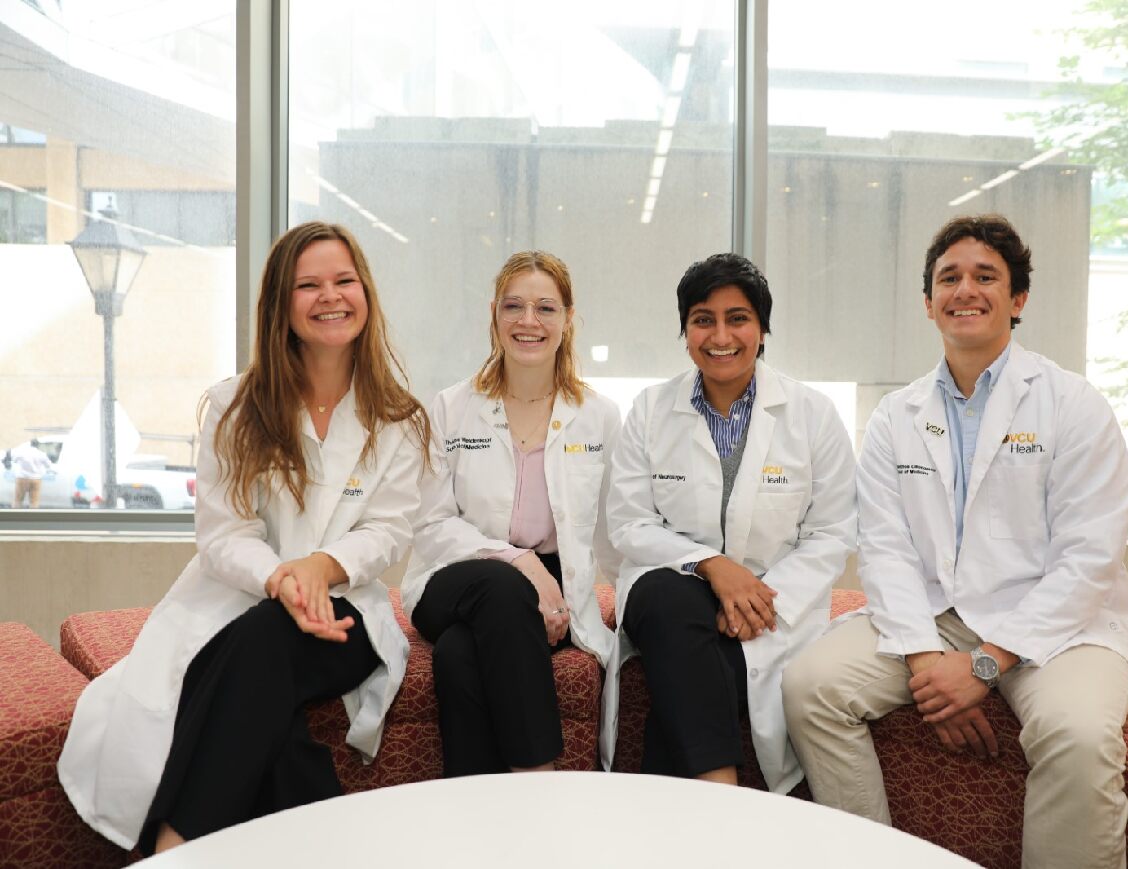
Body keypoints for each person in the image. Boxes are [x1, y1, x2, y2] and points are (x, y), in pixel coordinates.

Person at [59, 221, 432, 854]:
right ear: (281, 306)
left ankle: (175, 848)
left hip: (341, 617)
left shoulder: (398, 418)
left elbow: (389, 531)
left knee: (264, 641)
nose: (331, 296)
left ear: (365, 292)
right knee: (271, 698)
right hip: (237, 600)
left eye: (344, 280)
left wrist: (321, 568)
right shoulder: (236, 406)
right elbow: (223, 533)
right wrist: (282, 578)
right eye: (308, 284)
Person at [782, 215, 1128, 868]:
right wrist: (928, 669)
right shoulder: (897, 415)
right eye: (949, 277)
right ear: (928, 302)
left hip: (1058, 627)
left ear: (1019, 300)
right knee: (812, 685)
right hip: (939, 615)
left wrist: (983, 666)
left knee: (1079, 735)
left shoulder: (1072, 404)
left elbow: (1089, 558)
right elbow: (885, 549)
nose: (965, 289)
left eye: (986, 276)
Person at [603, 253, 855, 790]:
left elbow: (831, 533)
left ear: (762, 330)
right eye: (702, 319)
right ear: (685, 331)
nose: (721, 335)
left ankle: (686, 822)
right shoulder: (649, 410)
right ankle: (724, 796)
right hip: (669, 583)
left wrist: (758, 598)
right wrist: (713, 566)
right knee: (672, 601)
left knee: (683, 654)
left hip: (774, 601)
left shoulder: (813, 414)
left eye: (738, 318)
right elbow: (628, 523)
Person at [401, 250, 619, 776]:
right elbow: (431, 522)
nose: (528, 321)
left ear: (568, 319)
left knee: (458, 654)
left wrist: (630, 618)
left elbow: (617, 534)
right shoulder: (451, 407)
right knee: (502, 588)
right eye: (514, 306)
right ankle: (537, 781)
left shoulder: (598, 417)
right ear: (494, 316)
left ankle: (474, 813)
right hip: (450, 579)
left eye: (545, 308)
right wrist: (517, 562)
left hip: (551, 586)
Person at [11, 438, 53, 508]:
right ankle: (33, 517)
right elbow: (48, 465)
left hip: (22, 478)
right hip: (35, 479)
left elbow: (14, 459)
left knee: (18, 500)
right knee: (34, 501)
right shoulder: (41, 454)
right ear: (38, 445)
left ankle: (14, 516)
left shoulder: (22, 452)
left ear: (30, 444)